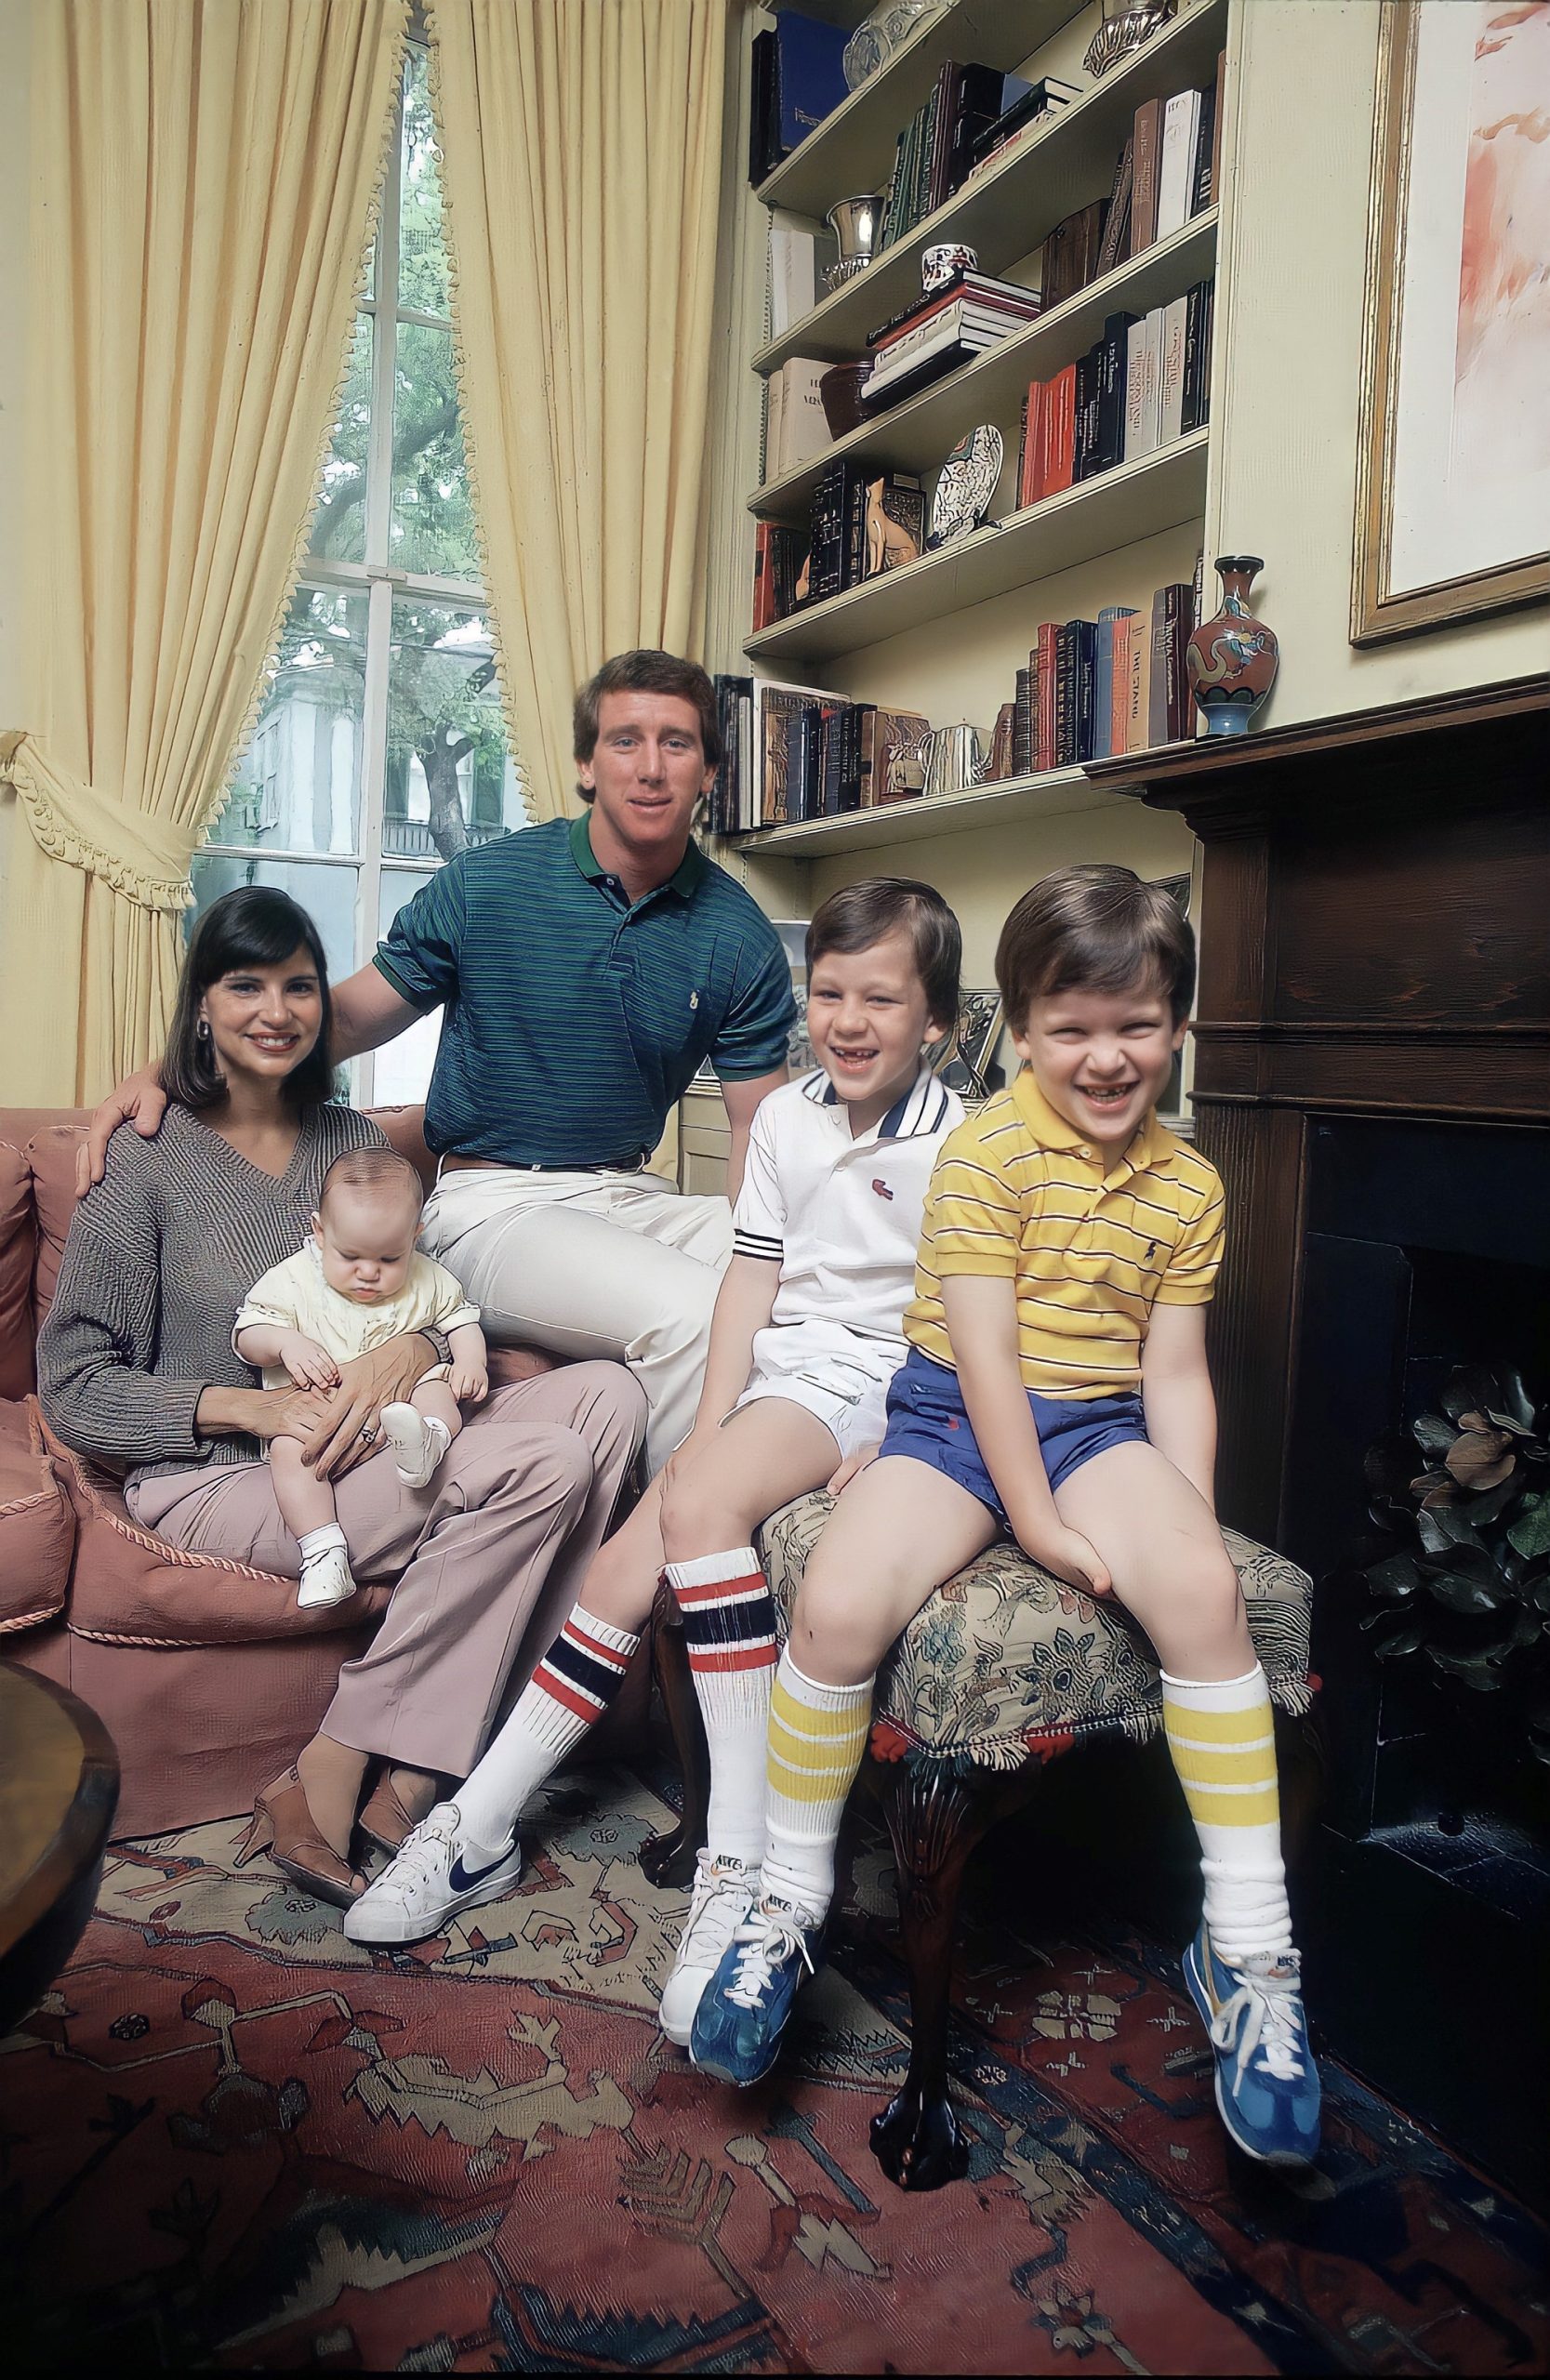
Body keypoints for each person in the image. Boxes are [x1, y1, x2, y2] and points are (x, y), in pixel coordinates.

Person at [684, 865, 1322, 2174]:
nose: (1104, 1056)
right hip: (951, 1420)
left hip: (1094, 1423)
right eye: (1071, 1028)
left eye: (1135, 1025)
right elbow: (980, 1366)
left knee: (1200, 1596)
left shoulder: (1188, 1185)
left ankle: (1248, 1949)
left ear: (1177, 1031)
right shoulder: (984, 1151)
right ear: (1017, 1033)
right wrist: (1029, 1524)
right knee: (839, 1604)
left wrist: (1182, 1526)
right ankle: (782, 1905)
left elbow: (1174, 1372)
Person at [342, 879, 965, 1997]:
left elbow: (961, 1305)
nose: (850, 1019)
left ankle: (736, 1861)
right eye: (828, 993)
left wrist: (907, 1425)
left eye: (882, 997)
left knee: (697, 1506)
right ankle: (477, 1823)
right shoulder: (784, 1117)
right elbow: (749, 1279)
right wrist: (709, 1419)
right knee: (630, 1557)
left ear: (936, 1022)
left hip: (867, 1390)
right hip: (783, 1370)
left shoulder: (963, 1139)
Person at [40, 887, 645, 1905]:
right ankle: (347, 1758)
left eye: (299, 986)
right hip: (229, 1474)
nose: (275, 1009)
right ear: (201, 1004)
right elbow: (74, 1385)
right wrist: (252, 1408)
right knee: (546, 1463)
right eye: (245, 984)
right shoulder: (142, 1160)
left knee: (609, 1402)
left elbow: (425, 1294)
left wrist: (408, 1347)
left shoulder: (350, 1139)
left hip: (380, 1436)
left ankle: (437, 1764)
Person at [80, 650, 795, 1474]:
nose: (650, 766)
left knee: (800, 1278)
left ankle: (802, 1487)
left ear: (709, 769)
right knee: (696, 1313)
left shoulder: (736, 931)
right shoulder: (488, 884)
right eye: (625, 740)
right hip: (493, 1202)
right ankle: (674, 1544)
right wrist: (177, 1067)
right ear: (585, 765)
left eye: (676, 744)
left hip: (634, 1191)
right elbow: (340, 1017)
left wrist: (765, 1254)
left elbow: (760, 1132)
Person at [232, 1145, 491, 1608]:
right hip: (317, 1408)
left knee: (435, 1388)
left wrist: (472, 1362)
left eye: (390, 1259)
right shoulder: (293, 1279)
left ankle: (427, 1442)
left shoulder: (427, 1277)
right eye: (350, 1256)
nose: (369, 1273)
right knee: (292, 1452)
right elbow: (248, 1332)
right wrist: (285, 1344)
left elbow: (460, 1318)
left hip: (404, 1399)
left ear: (416, 1236)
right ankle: (322, 1551)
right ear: (319, 1232)